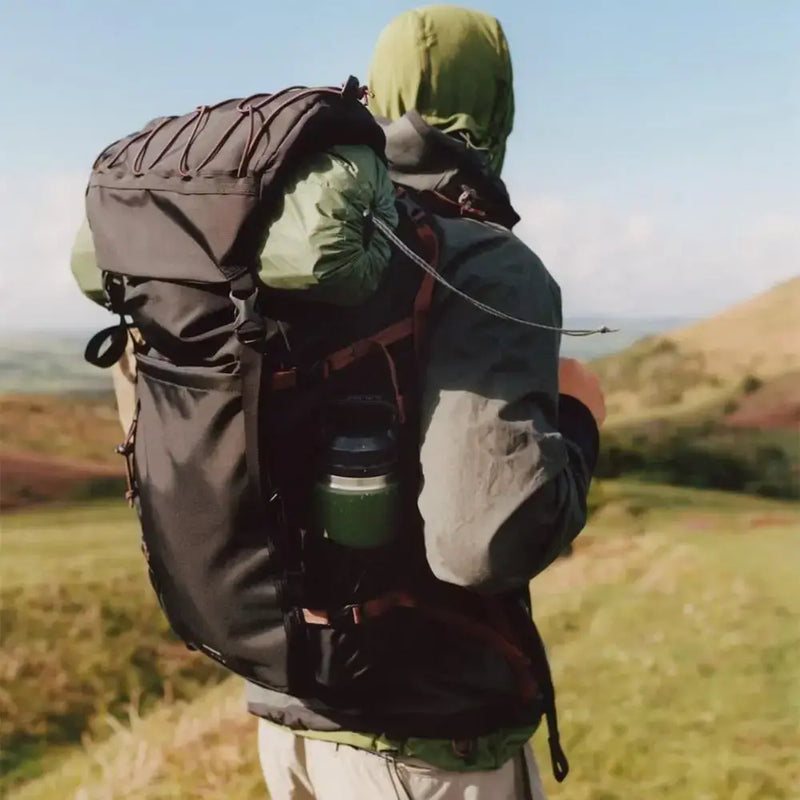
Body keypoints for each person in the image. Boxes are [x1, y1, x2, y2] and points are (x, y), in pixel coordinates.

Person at [250, 5, 606, 799]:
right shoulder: (483, 262)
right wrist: (579, 418)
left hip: (290, 720)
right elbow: (481, 545)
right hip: (428, 746)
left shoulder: (285, 243)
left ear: (377, 94)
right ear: (497, 105)